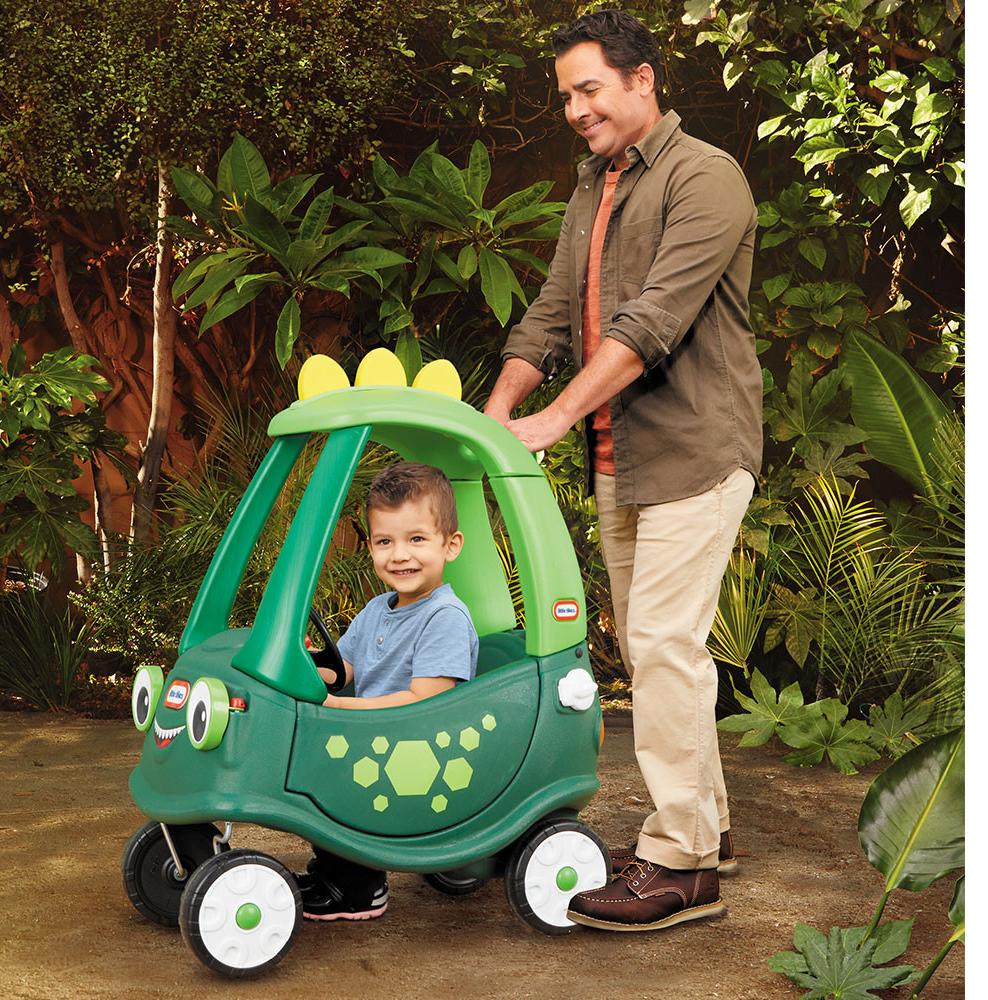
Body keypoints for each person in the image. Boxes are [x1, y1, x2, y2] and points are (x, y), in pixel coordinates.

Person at [483, 9, 762, 932]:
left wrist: (555, 417)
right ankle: (706, 829)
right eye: (566, 95)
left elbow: (654, 320)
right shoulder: (594, 185)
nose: (575, 109)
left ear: (643, 80)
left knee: (664, 646)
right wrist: (497, 414)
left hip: (696, 451)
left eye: (589, 89)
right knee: (656, 654)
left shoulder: (704, 178)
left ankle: (681, 865)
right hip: (624, 458)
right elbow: (551, 314)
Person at [296, 461, 479, 920]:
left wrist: (339, 708)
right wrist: (300, 670)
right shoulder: (378, 609)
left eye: (416, 539)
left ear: (450, 545)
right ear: (372, 546)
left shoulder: (444, 618)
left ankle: (360, 886)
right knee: (301, 761)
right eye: (385, 542)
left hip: (420, 750)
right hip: (377, 738)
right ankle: (333, 869)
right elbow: (342, 671)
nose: (399, 555)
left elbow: (426, 704)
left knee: (330, 777)